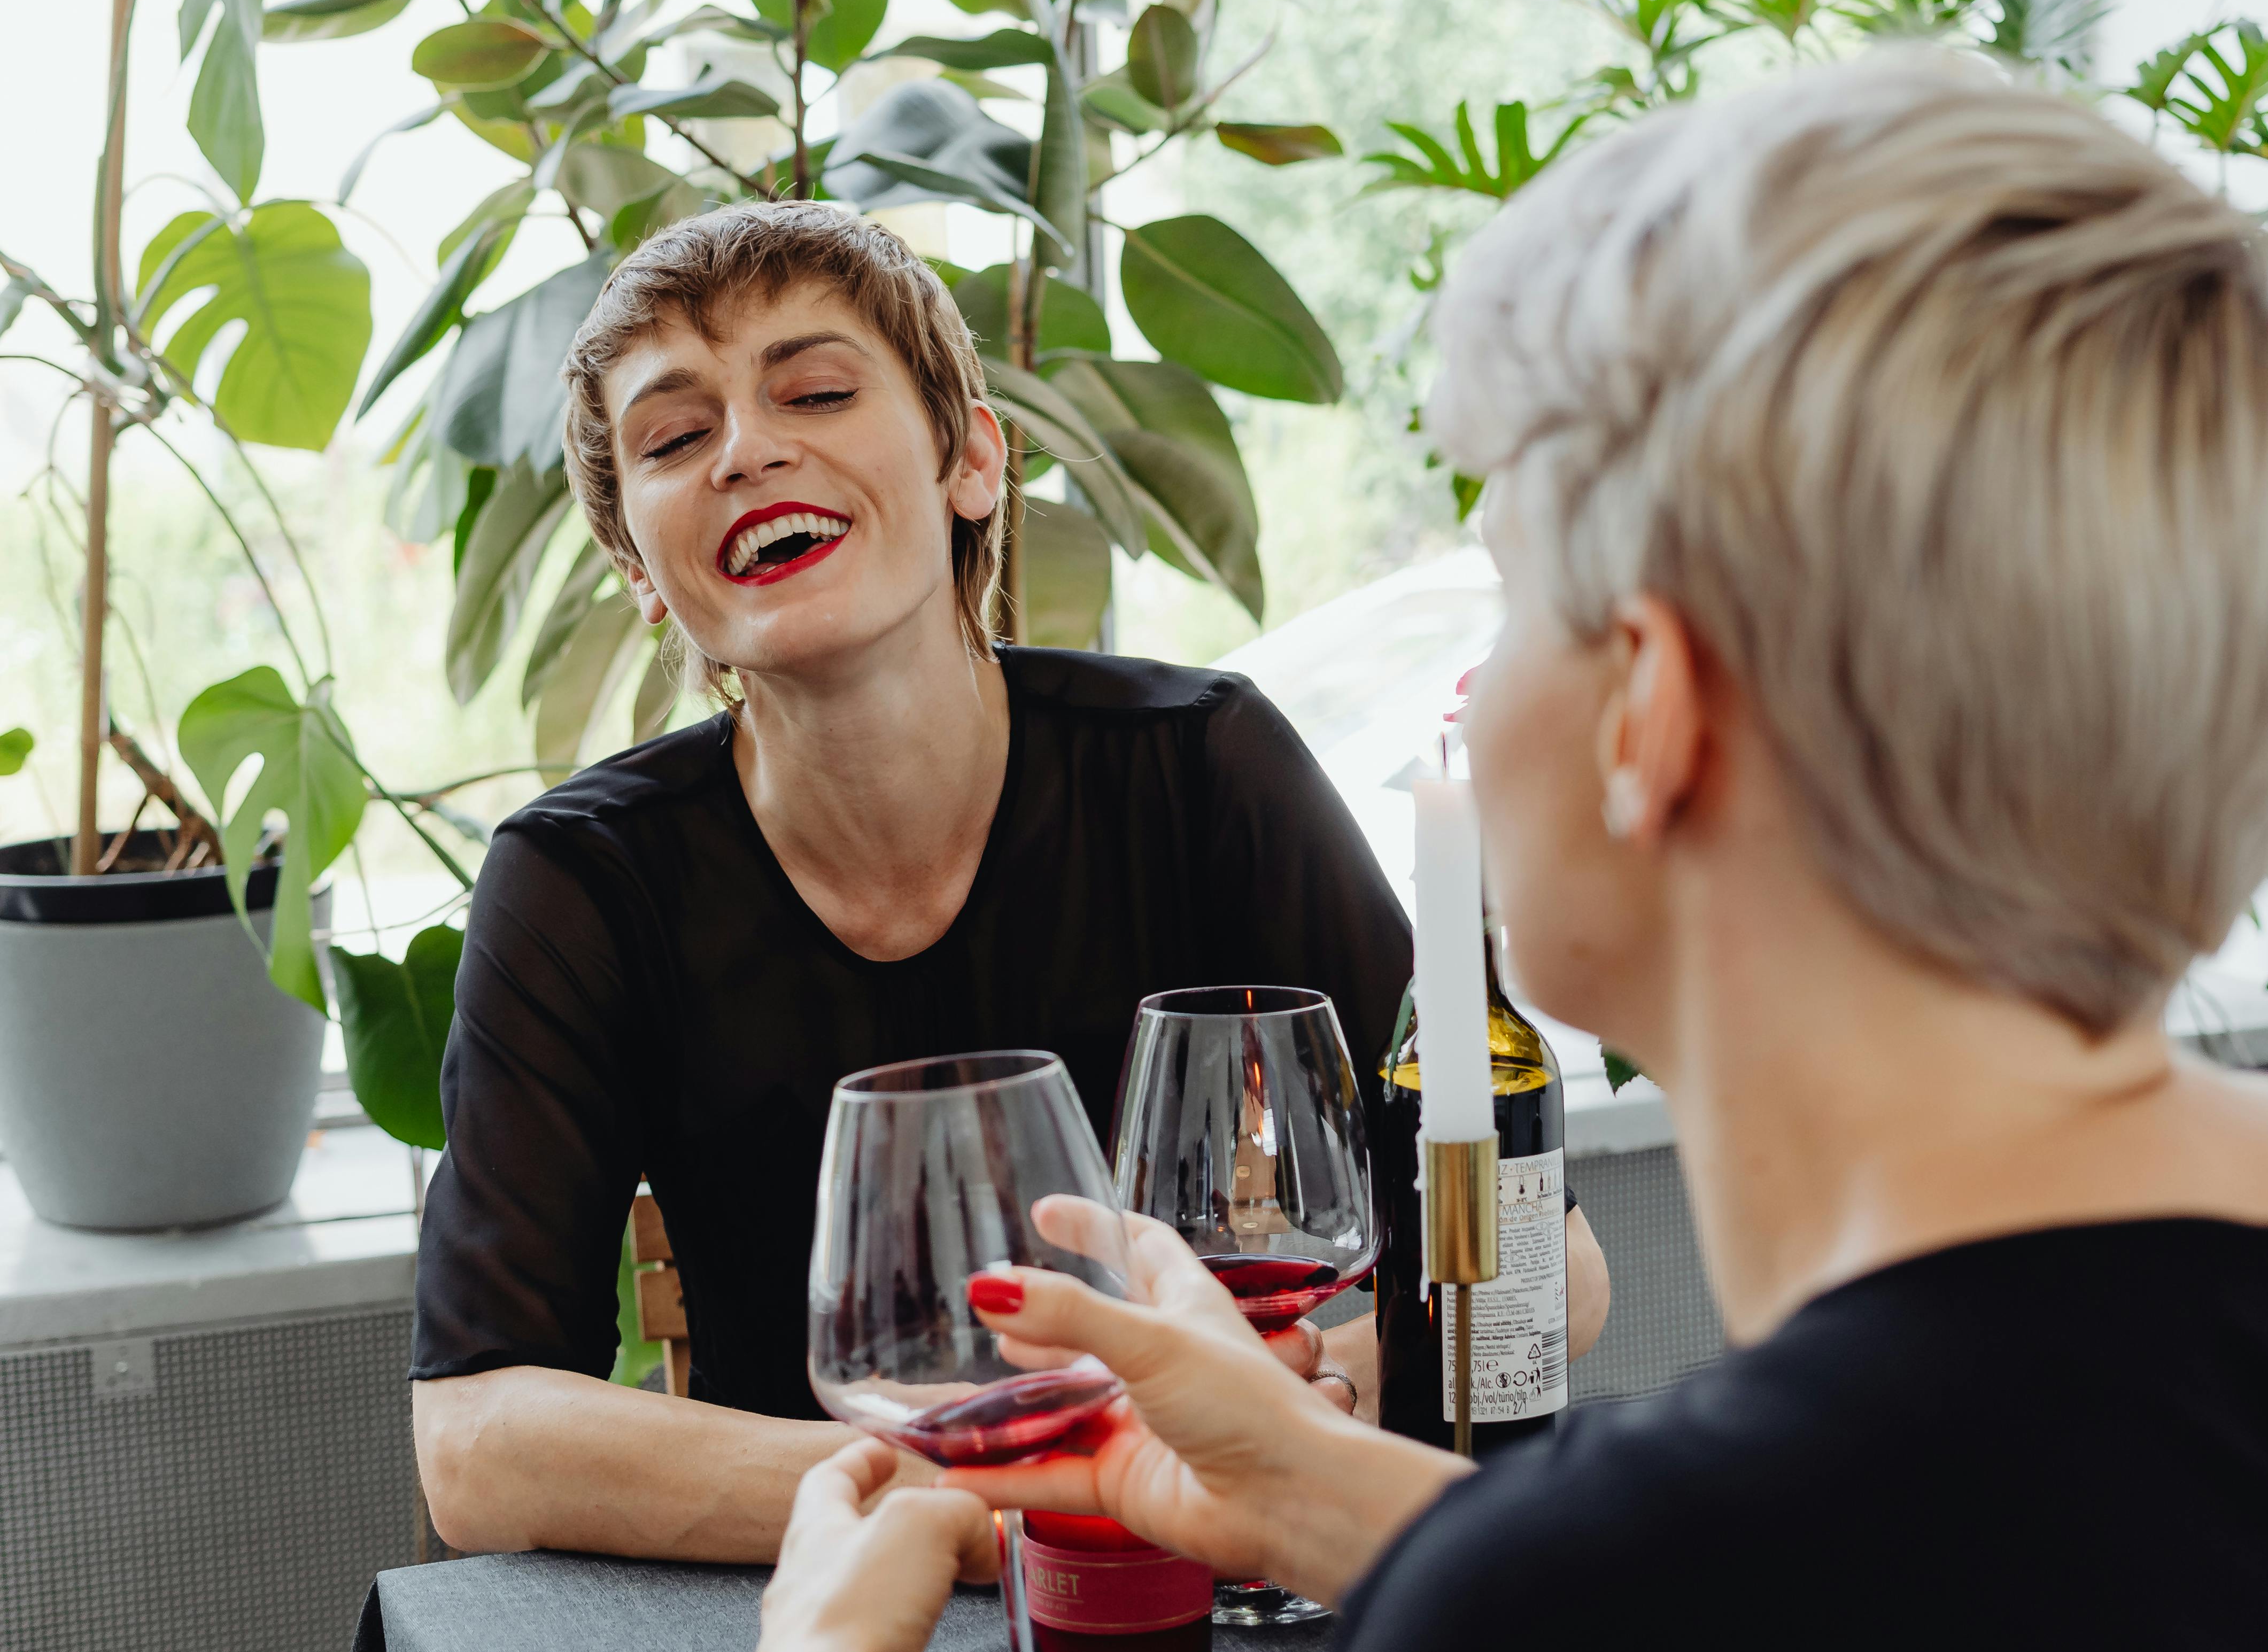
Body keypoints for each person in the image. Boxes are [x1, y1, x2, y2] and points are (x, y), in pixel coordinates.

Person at [750, 57, 2268, 1652]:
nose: (1464, 688)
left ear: (1652, 710)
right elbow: (1997, 1640)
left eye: (1502, 596)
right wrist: (1312, 1490)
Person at [411, 197, 1611, 1562]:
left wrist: (1288, 1416)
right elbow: (478, 1443)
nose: (747, 449)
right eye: (677, 437)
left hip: (1204, 1573)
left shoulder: (1203, 767)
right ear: (638, 565)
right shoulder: (581, 881)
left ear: (971, 460)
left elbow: (1540, 1269)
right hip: (821, 1599)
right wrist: (1039, 1491)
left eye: (814, 389)